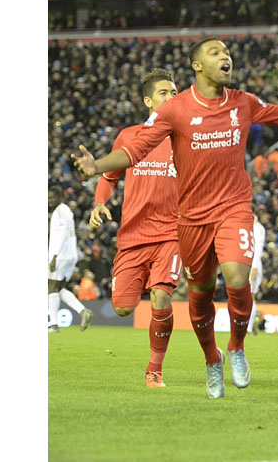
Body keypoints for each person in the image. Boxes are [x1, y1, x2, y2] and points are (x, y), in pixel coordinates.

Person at [72, 36, 278, 399]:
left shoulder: (242, 102)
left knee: (237, 276)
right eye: (216, 52)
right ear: (197, 65)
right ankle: (213, 359)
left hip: (232, 208)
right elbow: (131, 153)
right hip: (191, 219)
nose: (225, 56)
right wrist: (96, 167)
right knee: (198, 296)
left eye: (227, 52)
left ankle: (237, 347)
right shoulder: (175, 111)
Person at [87, 67, 181, 388]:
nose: (171, 97)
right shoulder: (129, 136)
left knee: (161, 296)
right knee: (124, 308)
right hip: (133, 235)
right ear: (148, 101)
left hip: (171, 234)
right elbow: (108, 176)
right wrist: (100, 202)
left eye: (174, 92)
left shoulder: (185, 138)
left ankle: (154, 369)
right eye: (164, 92)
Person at [48, 186, 93, 333]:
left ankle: (54, 325)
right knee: (60, 288)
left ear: (61, 197)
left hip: (61, 255)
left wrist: (54, 255)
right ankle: (82, 311)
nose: (49, 201)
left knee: (51, 287)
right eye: (48, 198)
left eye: (52, 198)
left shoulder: (60, 211)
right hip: (70, 254)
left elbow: (62, 233)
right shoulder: (65, 210)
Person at [247, 214, 266, 335]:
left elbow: (257, 247)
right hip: (253, 263)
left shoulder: (256, 228)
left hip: (253, 264)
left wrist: (253, 266)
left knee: (249, 296)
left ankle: (248, 327)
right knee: (249, 295)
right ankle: (251, 323)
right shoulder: (258, 228)